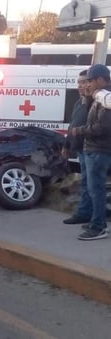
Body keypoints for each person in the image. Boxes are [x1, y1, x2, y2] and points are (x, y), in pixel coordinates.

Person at [71, 64, 111, 241]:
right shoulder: (98, 97)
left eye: (91, 80)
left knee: (96, 190)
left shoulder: (106, 98)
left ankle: (98, 227)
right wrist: (88, 98)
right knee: (93, 188)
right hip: (94, 150)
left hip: (99, 150)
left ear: (101, 79)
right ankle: (95, 220)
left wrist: (79, 131)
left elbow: (102, 128)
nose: (88, 84)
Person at [62, 70, 93, 226]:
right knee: (86, 182)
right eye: (79, 83)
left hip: (91, 149)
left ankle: (85, 214)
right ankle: (86, 212)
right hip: (80, 149)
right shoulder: (78, 102)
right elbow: (72, 124)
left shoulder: (93, 102)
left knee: (89, 183)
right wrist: (67, 145)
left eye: (84, 82)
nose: (81, 86)